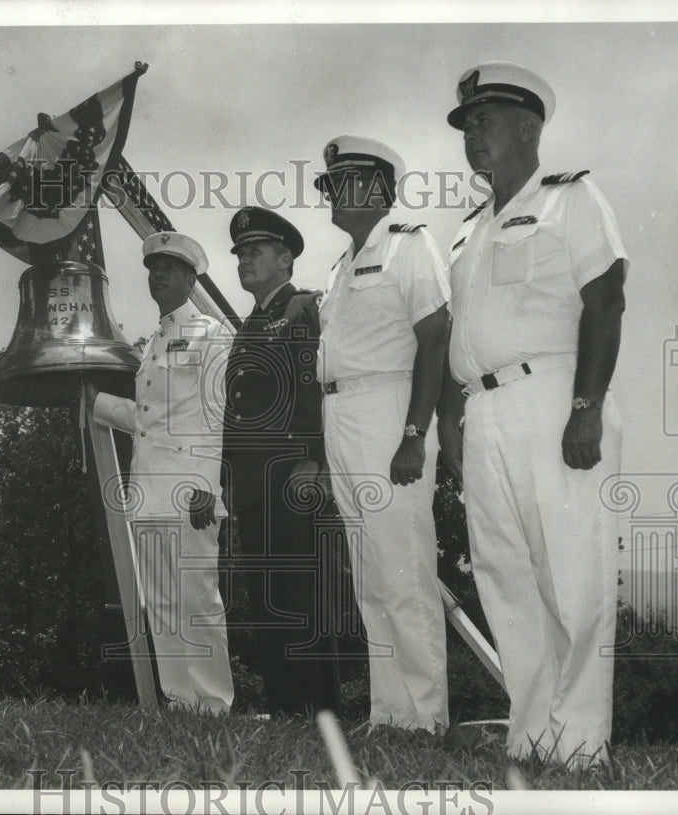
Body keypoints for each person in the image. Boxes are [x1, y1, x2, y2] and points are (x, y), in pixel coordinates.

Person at [438, 61, 628, 766]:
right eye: (466, 126)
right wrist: (456, 418)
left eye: (484, 121)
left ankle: (580, 743)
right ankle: (533, 731)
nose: (472, 136)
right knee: (505, 574)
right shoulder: (466, 232)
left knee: (572, 572)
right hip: (483, 411)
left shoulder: (571, 199)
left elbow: (606, 300)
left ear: (528, 126)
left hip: (554, 395)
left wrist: (587, 406)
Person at [315, 135, 451, 732]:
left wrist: (415, 432)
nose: (332, 196)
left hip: (388, 409)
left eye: (342, 183)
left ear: (378, 189)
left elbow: (436, 335)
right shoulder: (340, 268)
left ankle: (426, 717)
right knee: (371, 573)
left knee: (404, 570)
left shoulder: (408, 245)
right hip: (342, 416)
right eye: (328, 184)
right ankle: (389, 712)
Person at [87, 231, 234, 713]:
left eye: (170, 268)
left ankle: (213, 705)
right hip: (147, 489)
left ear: (191, 279)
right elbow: (149, 422)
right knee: (164, 604)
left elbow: (219, 416)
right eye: (154, 268)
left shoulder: (211, 335)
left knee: (198, 602)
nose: (159, 275)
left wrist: (207, 489)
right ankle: (180, 702)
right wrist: (98, 404)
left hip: (188, 491)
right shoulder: (154, 343)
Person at [222, 206, 341, 717]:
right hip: (254, 487)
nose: (245, 260)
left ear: (286, 258)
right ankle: (287, 711)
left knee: (302, 598)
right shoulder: (250, 324)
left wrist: (314, 459)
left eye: (256, 251)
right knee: (270, 603)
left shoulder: (302, 310)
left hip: (294, 478)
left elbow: (316, 388)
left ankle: (321, 712)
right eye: (241, 253)